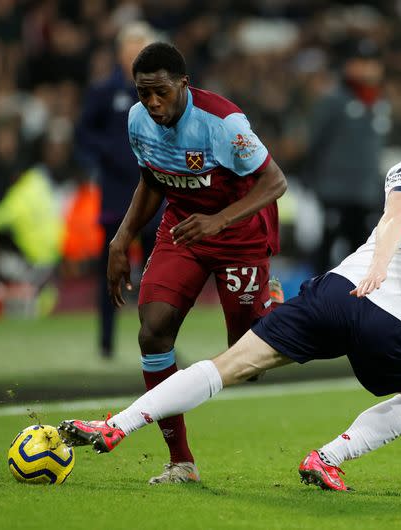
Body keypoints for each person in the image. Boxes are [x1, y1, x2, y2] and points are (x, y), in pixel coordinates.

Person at [59, 103, 401, 491]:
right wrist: (385, 270)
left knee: (226, 364)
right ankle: (328, 458)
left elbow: (396, 218)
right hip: (395, 325)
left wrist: (379, 265)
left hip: (339, 293)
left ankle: (116, 424)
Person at [98, 42, 287, 485]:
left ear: (184, 83)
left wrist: (219, 221)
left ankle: (271, 303)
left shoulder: (224, 124)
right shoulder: (138, 120)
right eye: (143, 93)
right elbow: (151, 180)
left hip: (239, 235)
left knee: (250, 363)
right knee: (153, 330)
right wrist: (122, 238)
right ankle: (181, 461)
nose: (152, 102)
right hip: (184, 228)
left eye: (160, 91)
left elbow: (275, 182)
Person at [75, 22, 164, 360]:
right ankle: (106, 342)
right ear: (120, 51)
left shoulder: (160, 90)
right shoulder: (104, 90)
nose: (135, 52)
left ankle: (158, 339)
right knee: (111, 269)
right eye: (131, 45)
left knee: (159, 272)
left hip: (155, 194)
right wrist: (110, 152)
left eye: (142, 45)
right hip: (116, 195)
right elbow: (83, 133)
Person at [305, 38, 390, 271]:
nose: (368, 68)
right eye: (361, 62)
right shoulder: (333, 100)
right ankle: (316, 302)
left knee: (361, 252)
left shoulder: (380, 102)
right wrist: (312, 184)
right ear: (348, 65)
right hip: (333, 192)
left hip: (365, 193)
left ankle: (353, 303)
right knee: (326, 249)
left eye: (372, 62)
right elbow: (314, 144)